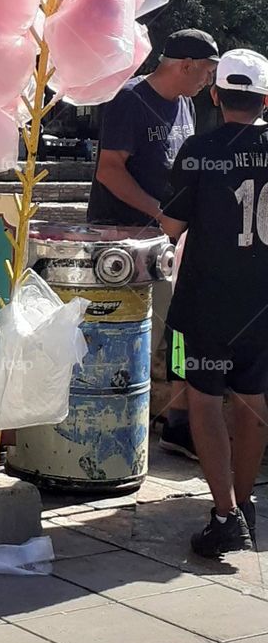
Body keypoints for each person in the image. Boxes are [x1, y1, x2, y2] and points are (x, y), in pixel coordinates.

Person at [87, 29, 220, 458]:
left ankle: (177, 424)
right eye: (206, 72)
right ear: (185, 65)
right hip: (122, 242)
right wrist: (159, 213)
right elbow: (109, 170)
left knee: (176, 329)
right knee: (123, 337)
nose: (208, 82)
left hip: (168, 243)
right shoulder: (129, 100)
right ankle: (109, 427)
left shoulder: (186, 105)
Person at [160, 48, 268, 557]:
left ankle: (225, 515)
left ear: (215, 94)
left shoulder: (199, 150)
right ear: (266, 99)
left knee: (204, 397)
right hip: (262, 302)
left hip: (207, 299)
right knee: (253, 399)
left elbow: (172, 226)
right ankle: (243, 507)